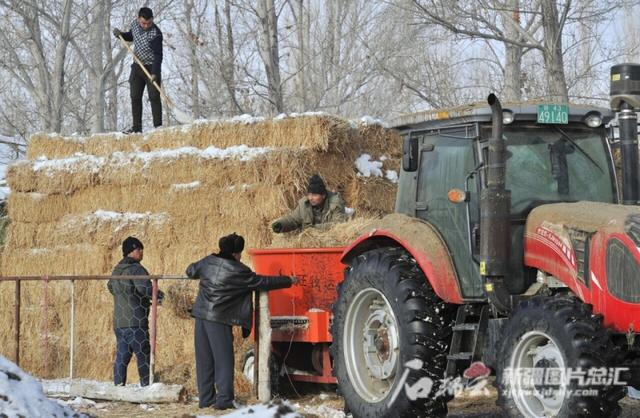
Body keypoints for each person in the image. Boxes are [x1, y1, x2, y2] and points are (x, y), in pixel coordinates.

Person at [186, 233, 295, 410]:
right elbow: (263, 281)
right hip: (219, 319)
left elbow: (190, 271)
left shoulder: (208, 261)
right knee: (224, 360)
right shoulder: (239, 271)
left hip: (201, 316)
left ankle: (205, 399)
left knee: (204, 360)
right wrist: (288, 280)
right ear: (236, 253)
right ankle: (224, 400)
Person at [107, 236, 163, 386]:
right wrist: (161, 296)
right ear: (133, 251)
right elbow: (145, 288)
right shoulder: (136, 269)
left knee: (122, 356)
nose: (142, 252)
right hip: (136, 321)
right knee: (143, 354)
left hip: (119, 323)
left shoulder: (117, 270)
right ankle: (146, 386)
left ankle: (118, 386)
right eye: (140, 249)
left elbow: (110, 287)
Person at [113, 7, 163, 134]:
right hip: (137, 66)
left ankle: (158, 128)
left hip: (152, 67)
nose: (146, 26)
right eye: (143, 23)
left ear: (152, 20)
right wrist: (121, 35)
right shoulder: (135, 25)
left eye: (149, 23)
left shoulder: (156, 34)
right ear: (138, 19)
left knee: (154, 96)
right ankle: (136, 128)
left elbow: (158, 55)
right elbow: (131, 36)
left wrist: (155, 73)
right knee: (135, 96)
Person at [271, 174, 348, 233]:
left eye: (314, 195)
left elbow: (339, 224)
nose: (311, 198)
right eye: (309, 194)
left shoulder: (335, 203)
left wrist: (313, 229)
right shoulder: (304, 204)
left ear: (323, 195)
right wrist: (281, 225)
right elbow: (293, 219)